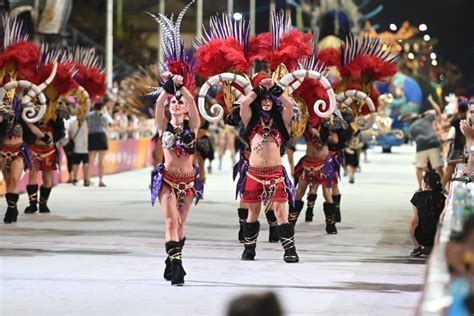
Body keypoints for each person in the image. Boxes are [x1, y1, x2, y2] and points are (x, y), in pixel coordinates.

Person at [237, 74, 298, 263]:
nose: (266, 102)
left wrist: (274, 88)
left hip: (275, 174)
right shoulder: (251, 121)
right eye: (263, 100)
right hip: (254, 174)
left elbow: (289, 105)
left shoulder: (280, 121)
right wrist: (259, 89)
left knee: (280, 211)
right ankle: (249, 249)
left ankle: (289, 250)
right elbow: (244, 104)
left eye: (269, 99)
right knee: (253, 212)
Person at [150, 72, 202, 286]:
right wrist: (168, 86)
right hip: (168, 182)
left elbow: (190, 99)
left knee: (181, 224)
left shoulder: (194, 127)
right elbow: (159, 102)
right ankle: (178, 266)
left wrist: (182, 87)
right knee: (171, 221)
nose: (176, 104)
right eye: (174, 102)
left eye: (179, 103)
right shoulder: (163, 127)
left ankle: (171, 260)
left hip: (189, 182)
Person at [408, 171, 446, 257]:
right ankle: (438, 246)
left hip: (421, 236)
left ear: (425, 184)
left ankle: (417, 247)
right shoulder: (443, 198)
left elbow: (418, 218)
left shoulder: (417, 196)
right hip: (438, 236)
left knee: (412, 221)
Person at [408, 110, 444, 191]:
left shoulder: (411, 128)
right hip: (433, 142)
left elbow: (411, 138)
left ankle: (420, 187)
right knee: (438, 167)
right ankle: (443, 187)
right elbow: (434, 112)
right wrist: (423, 113)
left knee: (419, 168)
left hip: (421, 145)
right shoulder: (426, 119)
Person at [87, 99, 113, 187]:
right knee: (101, 161)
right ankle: (101, 180)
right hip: (102, 136)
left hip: (92, 136)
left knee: (91, 160)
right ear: (102, 107)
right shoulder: (104, 116)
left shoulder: (89, 115)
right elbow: (109, 124)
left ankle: (88, 179)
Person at [68, 116, 89, 185]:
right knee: (86, 163)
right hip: (85, 147)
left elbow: (69, 133)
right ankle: (86, 179)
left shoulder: (72, 123)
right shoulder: (86, 122)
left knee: (75, 163)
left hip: (76, 146)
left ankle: (75, 178)